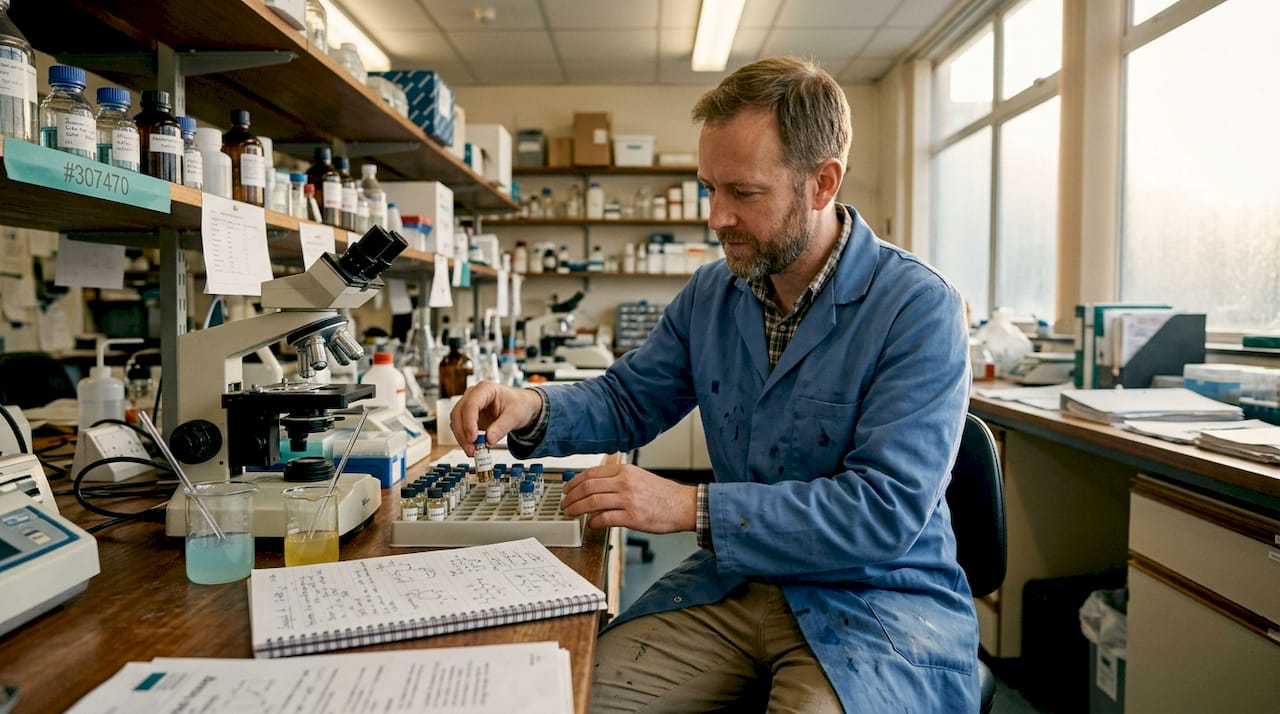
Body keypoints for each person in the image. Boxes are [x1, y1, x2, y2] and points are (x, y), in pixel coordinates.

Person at [451, 56, 977, 713]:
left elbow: (884, 509)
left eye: (743, 193)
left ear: (822, 183)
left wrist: (691, 508)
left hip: (874, 604)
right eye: (709, 188)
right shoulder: (714, 293)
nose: (716, 217)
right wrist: (529, 405)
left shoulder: (917, 308)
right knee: (576, 697)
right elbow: (627, 398)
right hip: (741, 584)